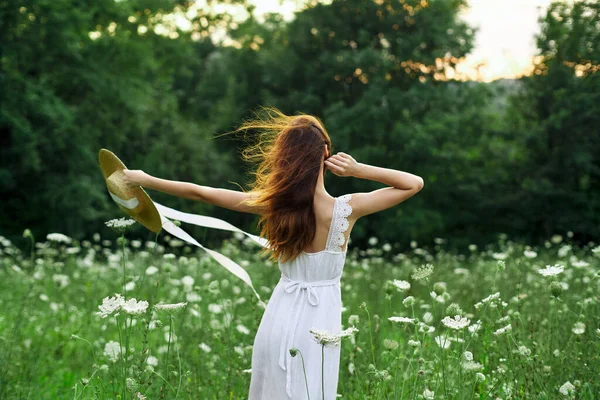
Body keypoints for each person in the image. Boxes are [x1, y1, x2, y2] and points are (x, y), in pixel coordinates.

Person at [121, 107, 424, 399]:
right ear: (326, 153)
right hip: (320, 326)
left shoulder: (275, 205)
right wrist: (358, 170)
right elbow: (413, 184)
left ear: (287, 158)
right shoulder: (343, 209)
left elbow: (201, 193)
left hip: (277, 321)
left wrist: (144, 179)